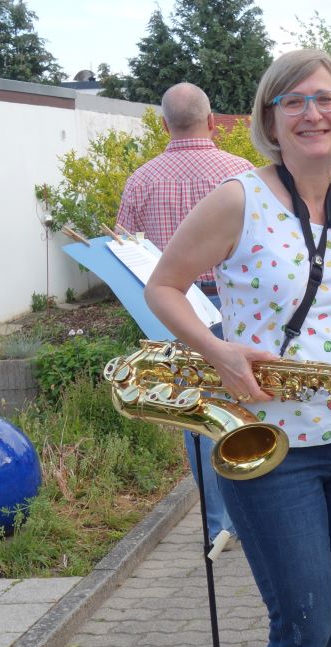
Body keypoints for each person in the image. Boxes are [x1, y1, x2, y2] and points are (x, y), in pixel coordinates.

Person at [144, 50, 331, 647]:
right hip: (273, 446)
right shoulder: (236, 199)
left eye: (325, 99)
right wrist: (215, 350)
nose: (312, 113)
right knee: (302, 617)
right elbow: (165, 286)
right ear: (269, 119)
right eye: (292, 101)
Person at [117, 82, 253, 545]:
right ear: (213, 122)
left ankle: (218, 523)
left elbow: (125, 248)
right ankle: (256, 507)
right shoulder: (243, 173)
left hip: (175, 307)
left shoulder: (141, 179)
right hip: (234, 304)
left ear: (163, 125)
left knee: (194, 413)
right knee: (243, 402)